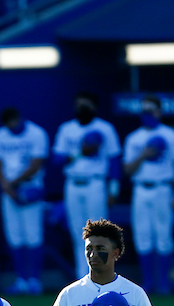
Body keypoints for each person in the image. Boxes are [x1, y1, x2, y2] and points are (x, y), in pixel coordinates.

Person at [52, 91, 122, 280]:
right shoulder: (67, 129)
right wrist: (80, 151)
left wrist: (114, 189)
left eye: (87, 105)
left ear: (94, 107)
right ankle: (81, 278)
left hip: (96, 183)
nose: (82, 108)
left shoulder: (105, 128)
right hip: (73, 184)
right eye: (79, 104)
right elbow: (56, 159)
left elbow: (114, 159)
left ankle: (102, 276)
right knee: (77, 233)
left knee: (99, 233)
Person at [123, 94, 174, 295]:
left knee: (163, 236)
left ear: (159, 112)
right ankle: (149, 282)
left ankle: (163, 282)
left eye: (151, 111)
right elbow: (128, 169)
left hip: (162, 188)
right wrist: (144, 154)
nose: (148, 115)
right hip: (141, 188)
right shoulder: (133, 138)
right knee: (143, 235)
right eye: (144, 111)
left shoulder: (171, 135)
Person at [0, 106, 48, 295]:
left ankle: (35, 280)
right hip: (9, 191)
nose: (12, 126)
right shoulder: (0, 135)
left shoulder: (36, 133)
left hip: (29, 187)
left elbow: (36, 164)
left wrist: (12, 184)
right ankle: (21, 279)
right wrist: (5, 185)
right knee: (14, 236)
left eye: (14, 121)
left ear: (20, 118)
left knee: (33, 235)